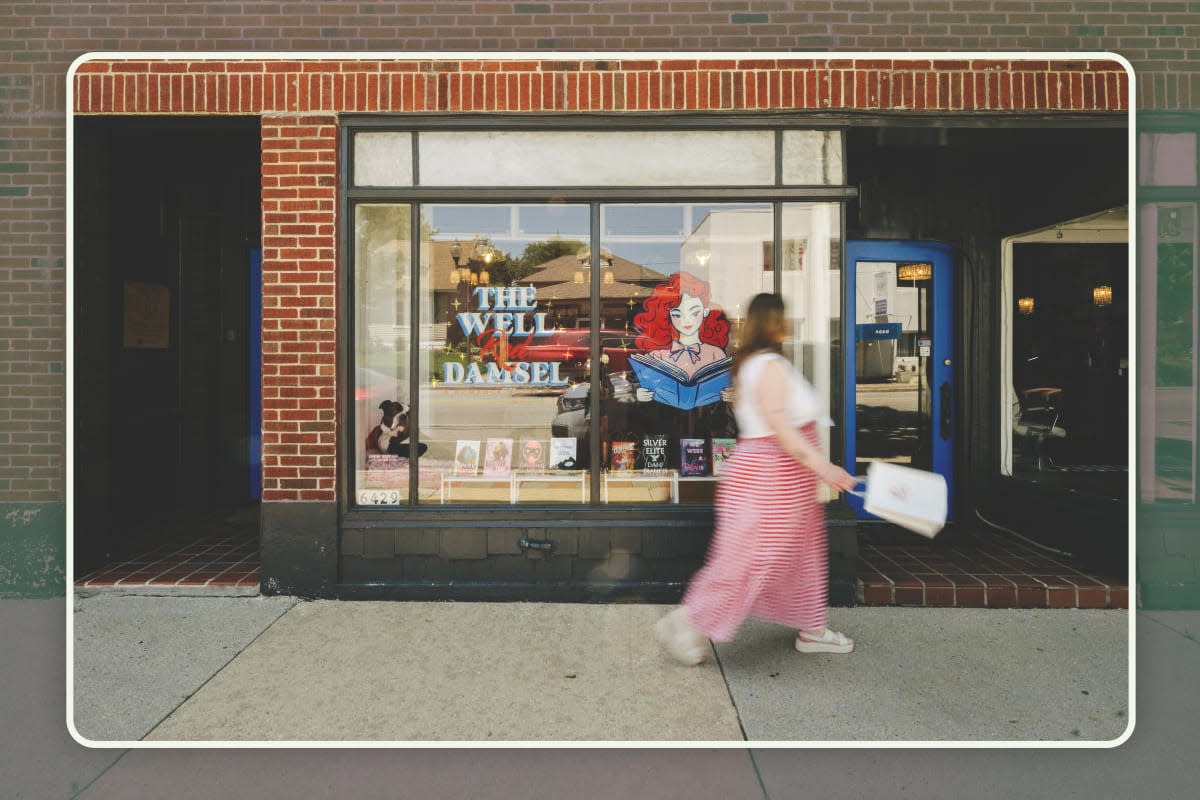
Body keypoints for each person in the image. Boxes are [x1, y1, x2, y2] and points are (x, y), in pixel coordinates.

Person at [655, 292, 859, 665]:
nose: (787, 325)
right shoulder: (768, 366)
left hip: (779, 479)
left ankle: (812, 626)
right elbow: (781, 428)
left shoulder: (757, 364)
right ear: (772, 323)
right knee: (753, 557)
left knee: (798, 555)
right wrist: (825, 468)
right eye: (782, 318)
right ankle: (689, 620)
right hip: (773, 479)